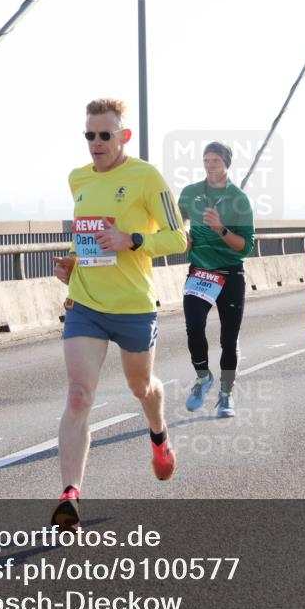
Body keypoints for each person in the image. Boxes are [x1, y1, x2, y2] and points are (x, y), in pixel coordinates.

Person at [50, 98, 188, 531]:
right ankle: (70, 496)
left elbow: (179, 237)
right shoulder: (78, 180)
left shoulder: (146, 177)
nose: (95, 143)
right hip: (86, 304)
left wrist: (132, 240)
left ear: (123, 136)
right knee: (78, 396)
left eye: (104, 135)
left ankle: (159, 434)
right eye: (89, 135)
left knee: (140, 386)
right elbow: (88, 240)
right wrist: (72, 261)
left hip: (133, 306)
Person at [178, 142, 256, 417]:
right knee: (194, 327)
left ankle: (226, 395)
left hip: (230, 274)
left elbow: (246, 247)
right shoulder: (191, 193)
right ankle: (202, 377)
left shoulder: (239, 199)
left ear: (226, 164)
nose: (210, 166)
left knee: (228, 338)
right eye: (206, 160)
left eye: (215, 161)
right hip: (200, 272)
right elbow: (175, 222)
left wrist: (219, 228)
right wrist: (183, 236)